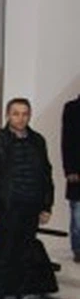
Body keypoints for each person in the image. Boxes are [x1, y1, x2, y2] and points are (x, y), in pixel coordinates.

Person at [0, 99, 53, 299]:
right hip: (7, 208)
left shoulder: (38, 141)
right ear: (7, 115)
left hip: (31, 207)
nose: (21, 118)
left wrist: (46, 205)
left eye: (25, 114)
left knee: (22, 258)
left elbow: (46, 174)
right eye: (16, 113)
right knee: (2, 257)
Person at [63, 91, 80, 263]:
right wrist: (70, 170)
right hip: (77, 171)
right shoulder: (72, 108)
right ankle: (78, 249)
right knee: (78, 213)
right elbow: (67, 141)